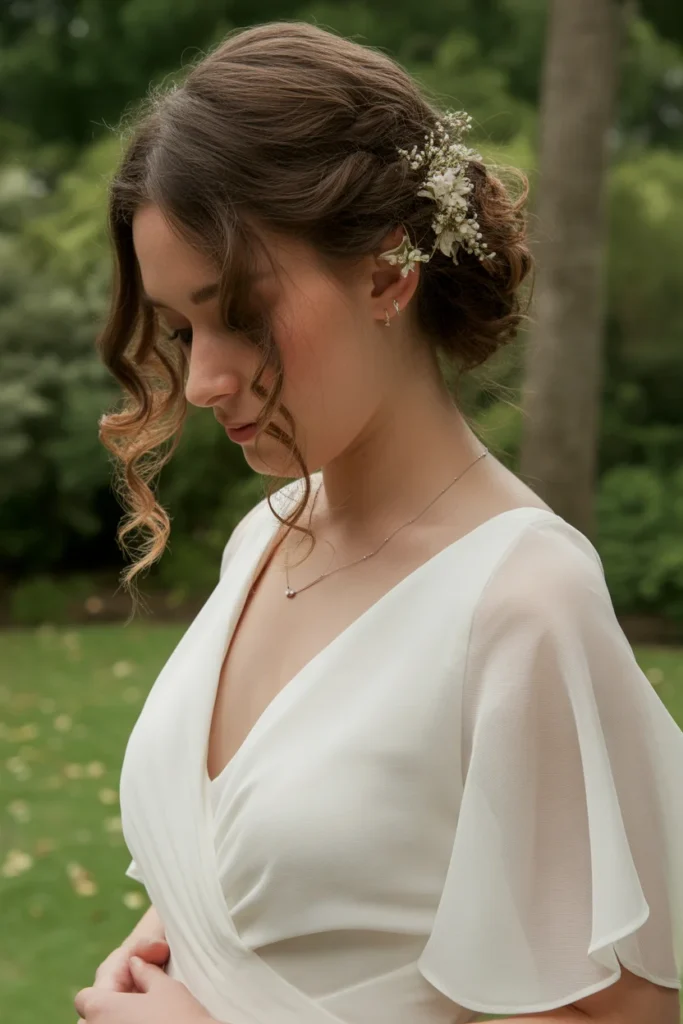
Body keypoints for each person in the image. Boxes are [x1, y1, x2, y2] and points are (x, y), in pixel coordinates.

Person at [75, 19, 683, 1024]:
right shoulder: (262, 537)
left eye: (239, 312)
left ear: (387, 273)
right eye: (182, 327)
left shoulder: (520, 602)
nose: (202, 379)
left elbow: (623, 1013)